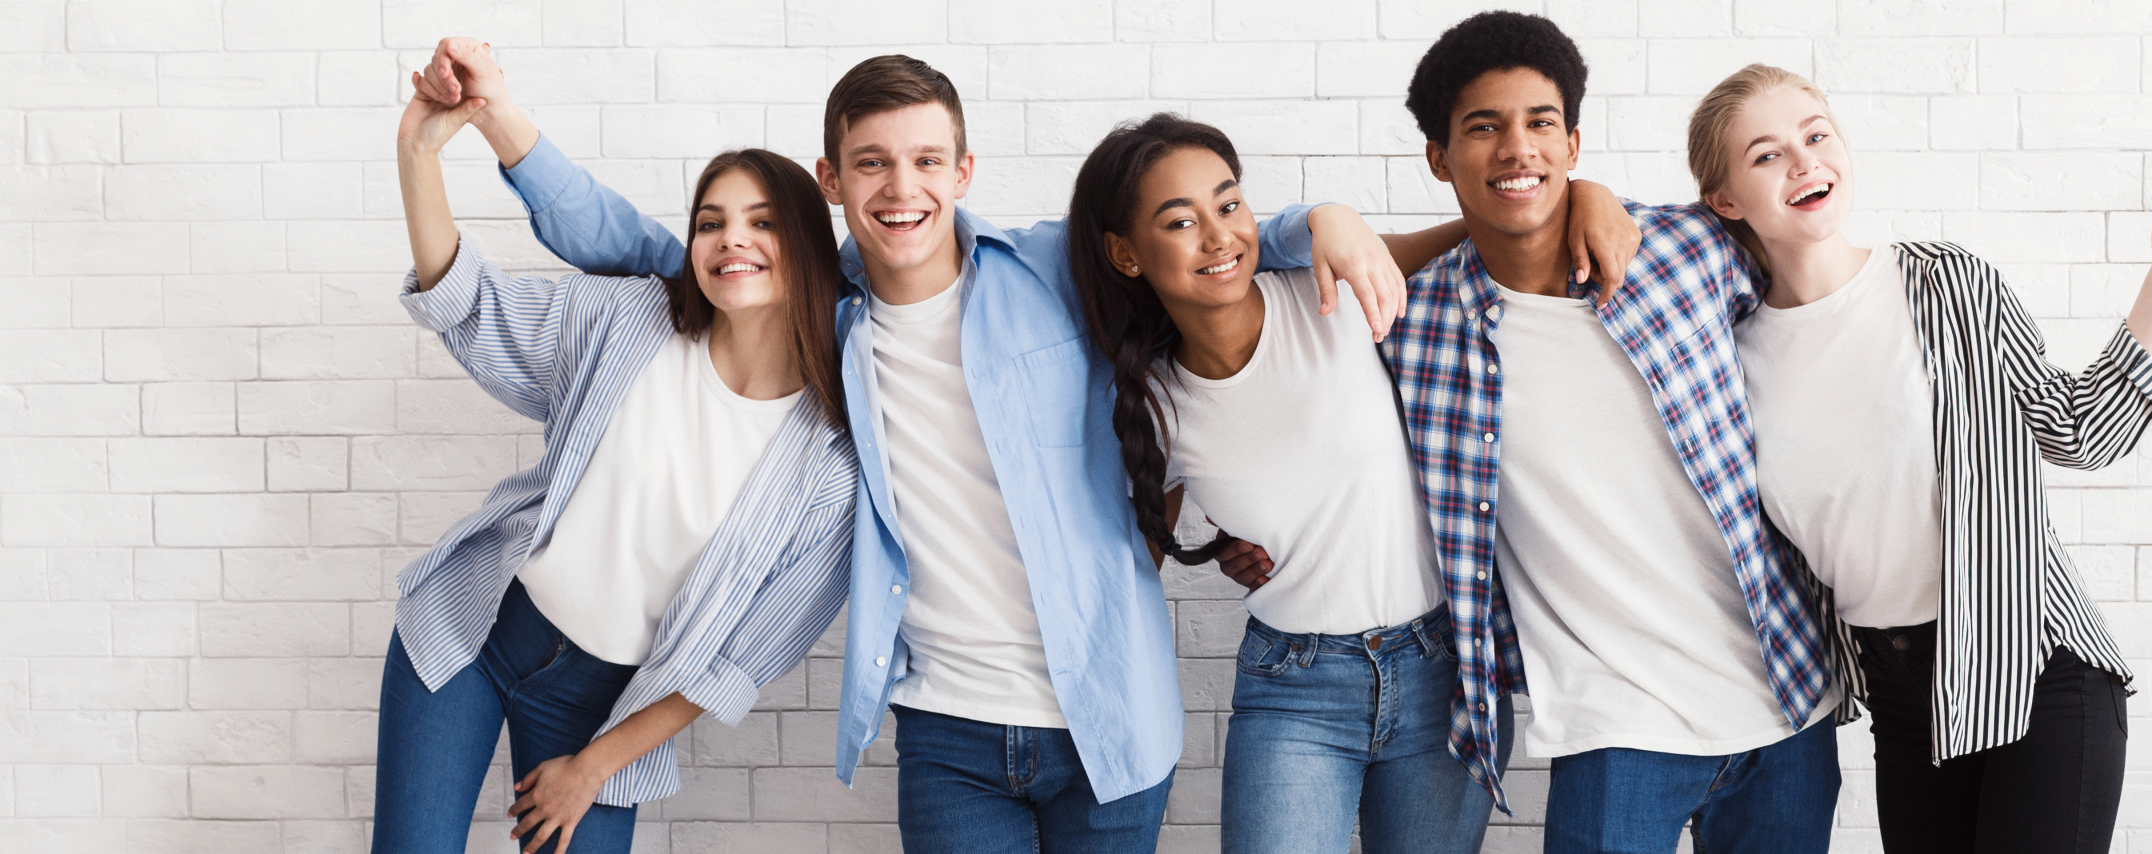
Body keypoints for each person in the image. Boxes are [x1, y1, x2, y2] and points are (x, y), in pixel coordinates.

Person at [407, 38, 1435, 853]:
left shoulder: (1054, 269)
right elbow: (633, 243)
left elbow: (1196, 247)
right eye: (872, 163)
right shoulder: (820, 308)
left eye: (927, 160)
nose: (903, 187)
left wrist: (1322, 220)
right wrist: (500, 121)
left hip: (1114, 722)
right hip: (948, 730)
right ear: (833, 179)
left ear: (963, 167)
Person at [1068, 113, 1636, 853]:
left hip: (1443, 672)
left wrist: (1584, 191)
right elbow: (1125, 579)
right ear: (1126, 253)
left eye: (1229, 204)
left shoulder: (1328, 289)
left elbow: (1489, 234)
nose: (1218, 237)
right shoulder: (1152, 405)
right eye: (1180, 222)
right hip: (1294, 689)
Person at [1694, 64, 2152, 854]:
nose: (1805, 163)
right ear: (1726, 200)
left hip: (2037, 669)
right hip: (1905, 702)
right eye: (1767, 155)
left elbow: (2080, 431)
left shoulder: (1944, 284)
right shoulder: (1727, 355)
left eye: (1815, 136)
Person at [1359, 12, 1848, 853]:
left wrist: (1596, 201)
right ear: (1438, 158)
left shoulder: (1690, 249)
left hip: (1782, 705)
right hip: (1609, 725)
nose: (1519, 149)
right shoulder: (1413, 325)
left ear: (1575, 144)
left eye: (1541, 124)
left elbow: (1819, 287)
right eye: (1485, 127)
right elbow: (1237, 278)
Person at [380, 69, 858, 854]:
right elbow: (470, 305)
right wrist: (417, 154)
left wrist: (592, 768)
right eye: (711, 222)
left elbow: (734, 664)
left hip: (603, 714)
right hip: (480, 628)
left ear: (807, 244)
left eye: (761, 221)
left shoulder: (830, 463)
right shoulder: (632, 319)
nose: (731, 239)